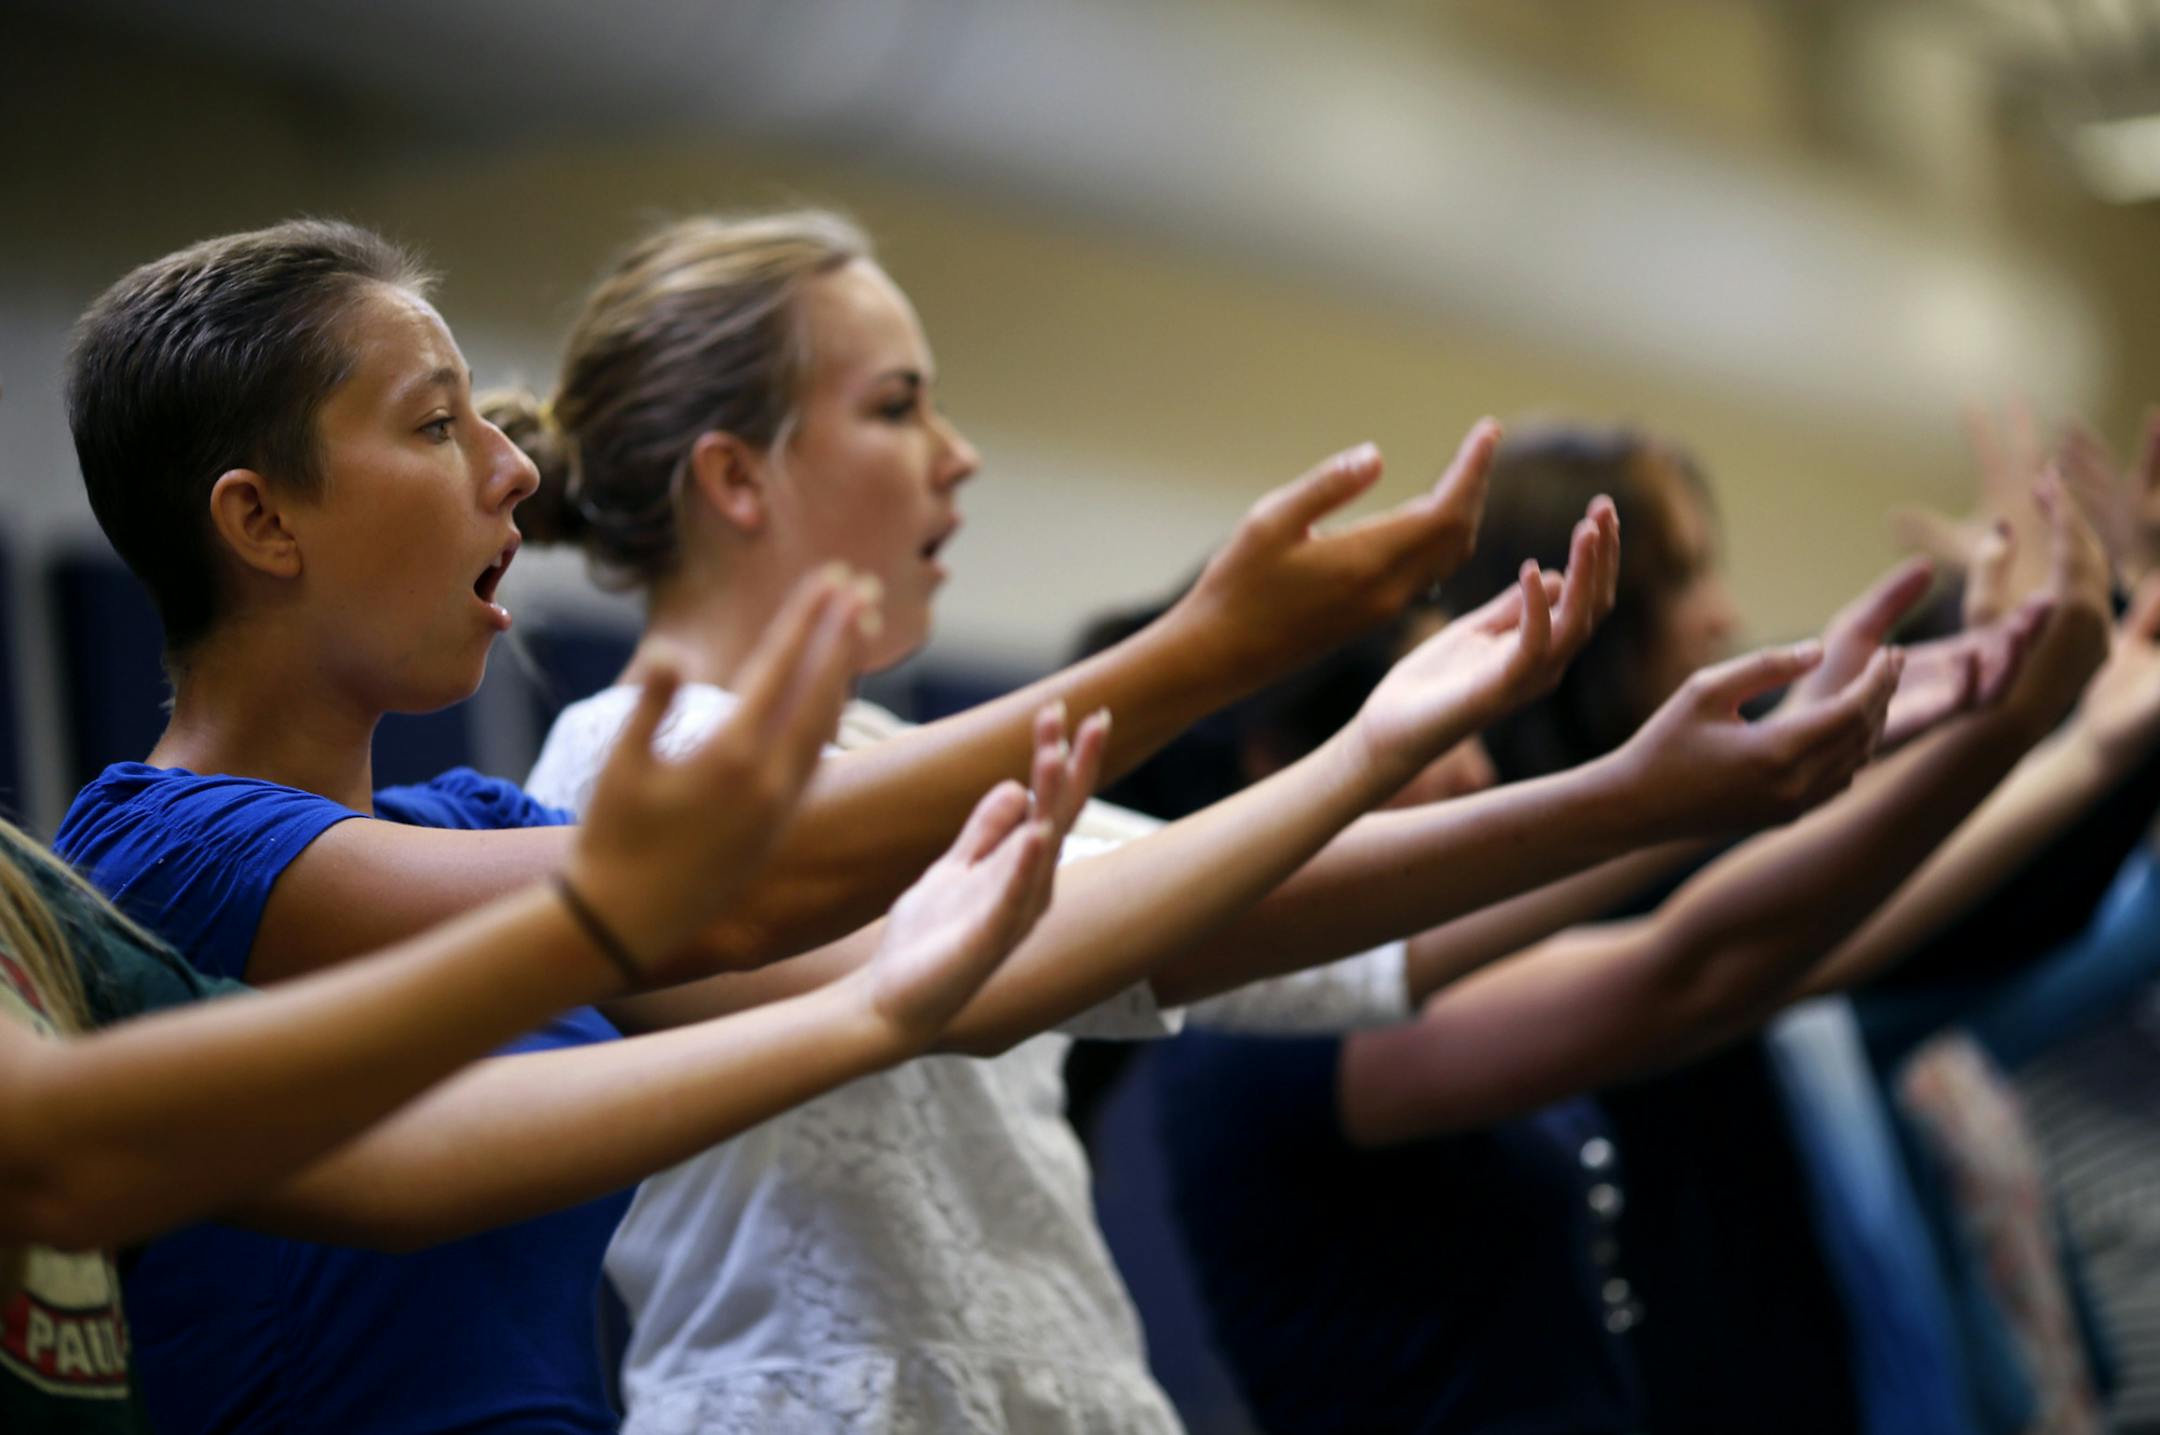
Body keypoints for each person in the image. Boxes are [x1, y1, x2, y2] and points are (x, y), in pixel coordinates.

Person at [504, 211, 1908, 1432]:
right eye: (898, 406)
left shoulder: (890, 756)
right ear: (737, 477)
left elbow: (1271, 923)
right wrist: (1361, 734)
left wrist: (1633, 800)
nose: (960, 454)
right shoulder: (622, 770)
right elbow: (983, 980)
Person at [1148, 422, 2111, 1434]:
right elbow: (1692, 968)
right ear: (1271, 758)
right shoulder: (1258, 1026)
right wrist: (2017, 732)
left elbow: (1780, 961)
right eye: (1432, 735)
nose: (1473, 771)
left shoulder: (1345, 986)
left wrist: (2053, 742)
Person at [2, 580, 1083, 1433]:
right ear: (259, 518)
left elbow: (399, 1154)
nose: (512, 464)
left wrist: (874, 1016)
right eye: (433, 423)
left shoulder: (468, 817)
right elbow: (741, 911)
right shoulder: (159, 843)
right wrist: (1200, 654)